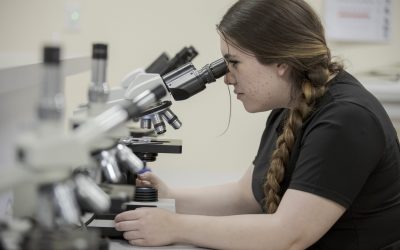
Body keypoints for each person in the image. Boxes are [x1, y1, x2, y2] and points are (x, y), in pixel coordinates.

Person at [114, 0, 400, 249]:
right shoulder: (291, 107)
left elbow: (288, 236)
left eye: (234, 63)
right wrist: (171, 197)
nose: (227, 78)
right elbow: (246, 195)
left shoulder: (345, 119)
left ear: (280, 62)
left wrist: (175, 227)